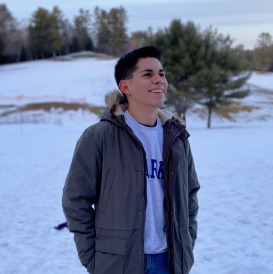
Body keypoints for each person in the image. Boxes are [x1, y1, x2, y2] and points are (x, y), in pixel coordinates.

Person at [62, 46, 200, 274]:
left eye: (161, 74)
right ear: (125, 87)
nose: (159, 80)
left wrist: (186, 242)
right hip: (119, 264)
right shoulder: (99, 137)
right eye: (148, 74)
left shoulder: (177, 139)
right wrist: (94, 259)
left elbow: (190, 195)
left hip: (168, 261)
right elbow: (75, 200)